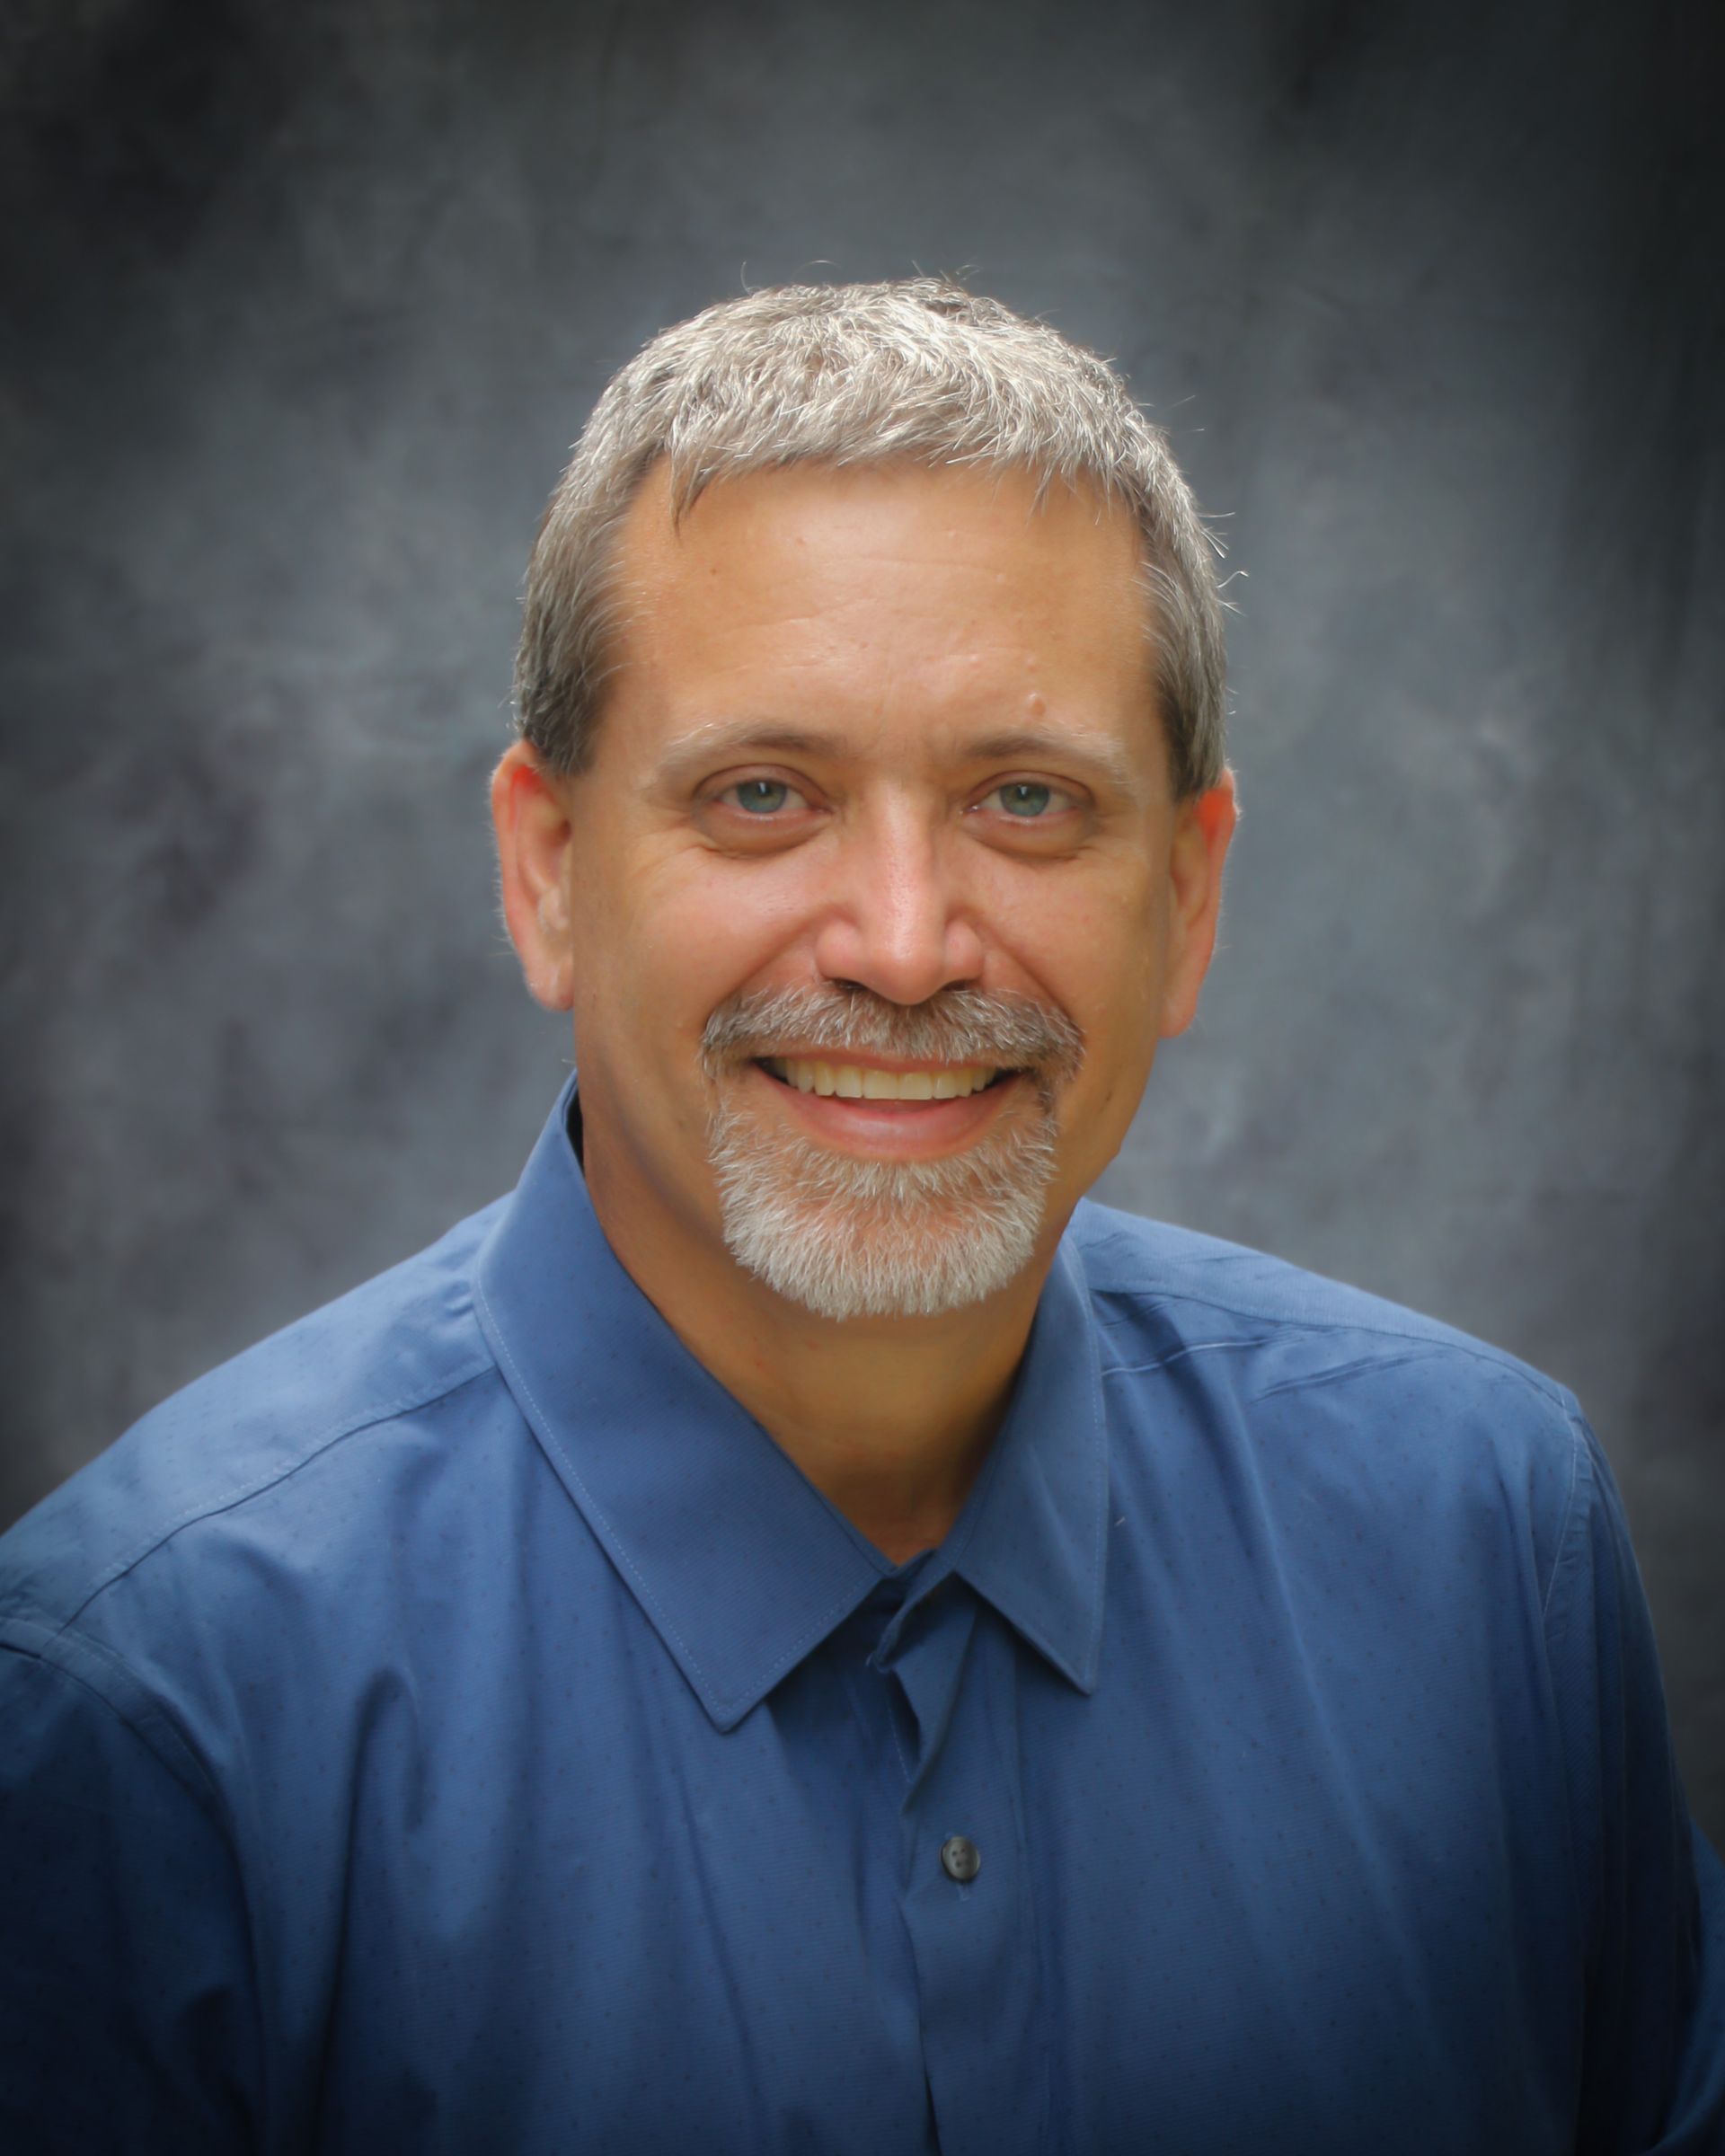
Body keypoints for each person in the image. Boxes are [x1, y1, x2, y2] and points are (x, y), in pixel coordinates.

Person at [1, 279, 1720, 2154]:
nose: (903, 945)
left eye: (1028, 801)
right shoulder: (145, 1712)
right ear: (548, 872)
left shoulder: (1488, 1555)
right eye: (762, 795)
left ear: (1191, 900)